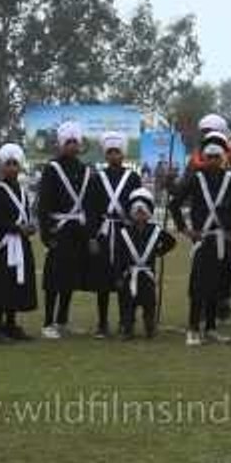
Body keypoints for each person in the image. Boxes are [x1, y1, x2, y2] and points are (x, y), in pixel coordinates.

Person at [168, 129, 231, 346]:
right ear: (204, 157)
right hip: (204, 240)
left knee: (218, 286)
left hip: (224, 240)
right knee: (199, 286)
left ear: (223, 158)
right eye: (209, 157)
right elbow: (174, 203)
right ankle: (193, 329)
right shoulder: (196, 179)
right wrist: (185, 230)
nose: (213, 160)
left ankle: (211, 328)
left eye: (216, 157)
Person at [37, 121, 92, 339]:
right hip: (58, 230)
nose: (72, 146)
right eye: (68, 142)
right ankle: (48, 322)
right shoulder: (52, 169)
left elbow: (87, 203)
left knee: (70, 278)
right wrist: (46, 234)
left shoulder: (84, 170)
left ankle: (62, 320)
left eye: (75, 142)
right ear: (61, 144)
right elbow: (44, 204)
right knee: (54, 279)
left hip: (76, 230)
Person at [84, 131, 141, 338]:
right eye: (110, 152)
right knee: (103, 280)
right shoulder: (97, 179)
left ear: (123, 154)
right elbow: (90, 210)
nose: (114, 155)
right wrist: (92, 237)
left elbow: (139, 205)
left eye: (117, 152)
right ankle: (102, 323)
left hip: (125, 233)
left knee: (125, 277)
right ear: (105, 155)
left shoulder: (133, 178)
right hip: (104, 232)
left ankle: (126, 321)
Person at [0, 143, 36, 343]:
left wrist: (30, 227)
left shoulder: (22, 191)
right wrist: (17, 228)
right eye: (8, 164)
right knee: (2, 286)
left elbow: (26, 214)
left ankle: (11, 324)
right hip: (6, 244)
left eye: (15, 164)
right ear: (2, 166)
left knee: (16, 285)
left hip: (21, 243)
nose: (12, 168)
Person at [114, 187, 176, 339]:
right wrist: (118, 276)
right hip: (130, 274)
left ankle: (150, 328)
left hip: (147, 275)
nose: (140, 215)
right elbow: (118, 256)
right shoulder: (124, 232)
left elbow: (171, 242)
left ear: (148, 213)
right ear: (132, 213)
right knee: (128, 303)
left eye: (142, 212)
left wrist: (159, 251)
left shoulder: (155, 230)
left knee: (149, 303)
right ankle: (128, 329)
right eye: (137, 212)